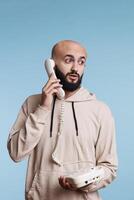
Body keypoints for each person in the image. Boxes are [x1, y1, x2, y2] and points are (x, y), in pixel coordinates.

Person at [7, 40, 118, 200]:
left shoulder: (101, 110)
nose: (75, 68)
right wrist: (43, 108)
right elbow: (16, 153)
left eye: (81, 62)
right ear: (51, 65)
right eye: (68, 60)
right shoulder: (32, 103)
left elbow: (109, 167)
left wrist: (86, 183)